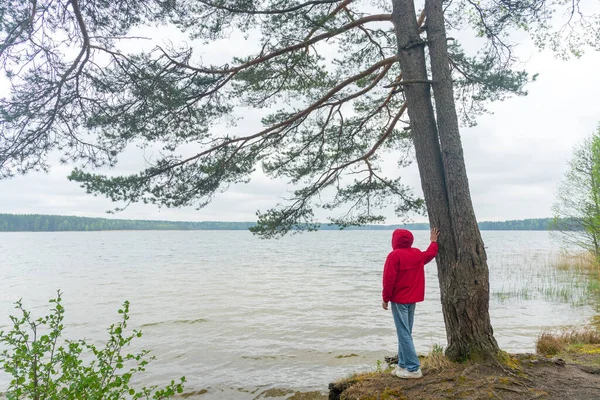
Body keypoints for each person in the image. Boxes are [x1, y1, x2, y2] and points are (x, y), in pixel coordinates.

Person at [382, 227, 440, 379]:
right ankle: (402, 364)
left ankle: (414, 369)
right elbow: (430, 254)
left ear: (394, 241)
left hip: (399, 300)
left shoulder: (394, 255)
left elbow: (389, 280)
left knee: (403, 333)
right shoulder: (415, 253)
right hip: (412, 299)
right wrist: (433, 242)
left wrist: (385, 298)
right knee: (406, 332)